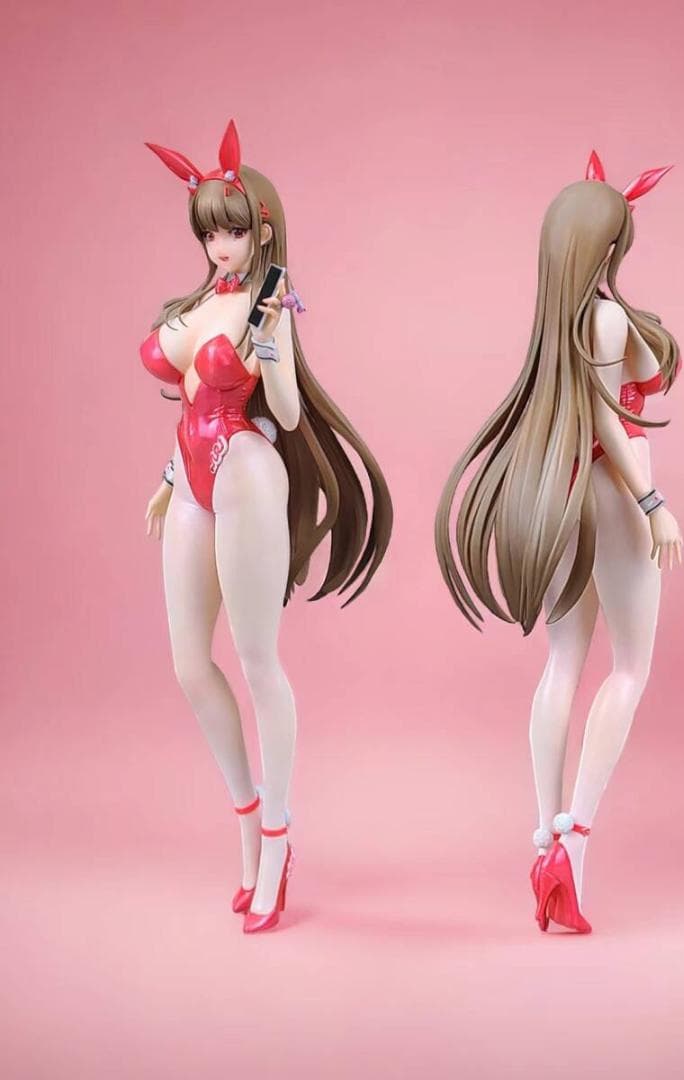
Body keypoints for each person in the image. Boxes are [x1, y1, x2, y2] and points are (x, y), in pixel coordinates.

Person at [140, 119, 393, 934]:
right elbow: (187, 395)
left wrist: (275, 341)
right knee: (190, 665)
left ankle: (278, 842)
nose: (220, 246)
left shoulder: (267, 306)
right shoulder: (196, 304)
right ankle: (248, 821)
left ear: (264, 231)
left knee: (256, 663)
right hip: (189, 477)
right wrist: (168, 480)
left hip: (247, 472)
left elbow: (282, 414)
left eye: (233, 231)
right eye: (208, 232)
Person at [434, 151, 683, 933]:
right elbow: (609, 417)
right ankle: (572, 845)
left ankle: (542, 836)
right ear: (605, 247)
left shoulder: (556, 326)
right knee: (629, 667)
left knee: (562, 663)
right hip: (611, 492)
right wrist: (652, 502)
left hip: (558, 488)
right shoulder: (603, 320)